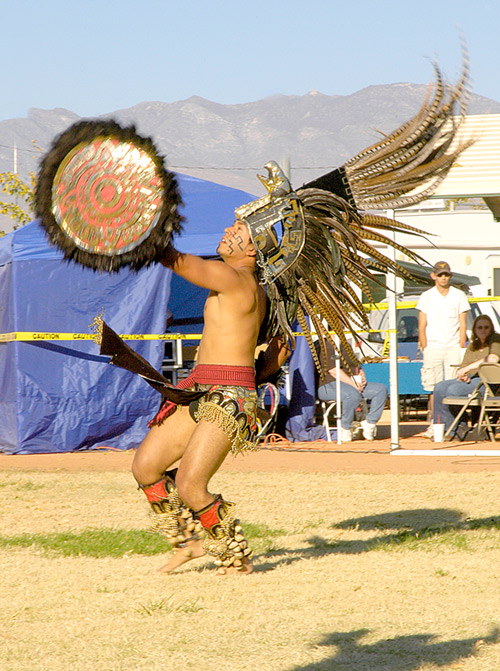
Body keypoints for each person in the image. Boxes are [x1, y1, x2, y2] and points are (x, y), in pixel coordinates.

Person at [416, 261, 470, 439]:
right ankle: (435, 424)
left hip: (453, 347)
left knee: (454, 388)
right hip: (433, 348)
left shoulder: (459, 295)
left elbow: (463, 324)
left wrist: (461, 347)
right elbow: (422, 325)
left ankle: (454, 425)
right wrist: (426, 347)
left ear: (450, 275)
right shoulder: (426, 296)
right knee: (433, 388)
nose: (443, 277)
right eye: (440, 274)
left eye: (446, 274)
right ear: (433, 276)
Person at [433, 314, 500, 440]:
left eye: (486, 327)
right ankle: (445, 428)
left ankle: (457, 428)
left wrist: (468, 369)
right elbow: (463, 367)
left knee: (453, 390)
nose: (483, 330)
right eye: (479, 327)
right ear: (474, 329)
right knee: (440, 387)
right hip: (472, 379)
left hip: (488, 382)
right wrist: (463, 374)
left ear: (491, 329)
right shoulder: (472, 345)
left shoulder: (496, 340)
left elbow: (493, 358)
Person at [317, 339, 388, 442]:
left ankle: (370, 423)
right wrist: (353, 383)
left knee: (380, 389)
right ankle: (345, 427)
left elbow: (356, 366)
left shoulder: (346, 345)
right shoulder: (327, 345)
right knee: (352, 394)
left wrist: (361, 376)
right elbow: (333, 370)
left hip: (351, 382)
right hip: (329, 385)